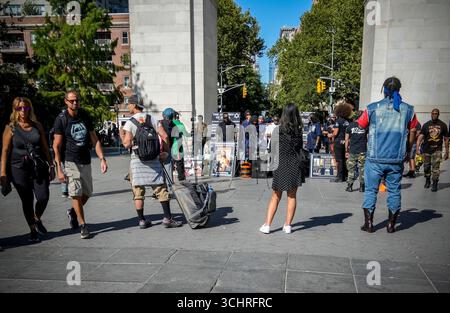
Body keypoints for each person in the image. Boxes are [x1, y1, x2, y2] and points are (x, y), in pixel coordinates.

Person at [357, 77, 418, 233]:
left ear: (384, 89)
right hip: (395, 158)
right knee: (394, 191)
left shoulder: (371, 108)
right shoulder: (408, 110)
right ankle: (391, 225)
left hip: (375, 158)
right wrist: (408, 149)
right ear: (399, 89)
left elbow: (361, 125)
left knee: (371, 190)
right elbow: (413, 130)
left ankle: (369, 224)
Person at [120, 95, 182, 228]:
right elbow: (164, 135)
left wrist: (123, 135)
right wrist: (165, 153)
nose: (128, 107)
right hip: (154, 159)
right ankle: (167, 218)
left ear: (134, 105)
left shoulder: (130, 122)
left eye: (129, 104)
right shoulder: (152, 119)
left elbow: (126, 144)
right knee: (160, 188)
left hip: (137, 161)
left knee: (138, 191)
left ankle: (142, 220)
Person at [53, 90, 108, 239]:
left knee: (88, 193)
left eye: (76, 100)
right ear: (66, 101)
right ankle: (83, 224)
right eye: (71, 101)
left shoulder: (84, 115)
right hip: (70, 161)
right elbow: (56, 145)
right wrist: (59, 168)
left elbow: (94, 139)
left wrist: (102, 158)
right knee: (75, 193)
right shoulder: (61, 119)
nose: (75, 103)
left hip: (85, 160)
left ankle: (72, 212)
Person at [1, 97, 55, 242]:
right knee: (27, 199)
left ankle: (36, 218)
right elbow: (5, 151)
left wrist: (51, 165)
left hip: (38, 166)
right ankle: (32, 231)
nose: (23, 111)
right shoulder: (10, 128)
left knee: (43, 196)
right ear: (15, 110)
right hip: (18, 168)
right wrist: (3, 174)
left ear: (29, 108)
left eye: (25, 108)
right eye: (19, 108)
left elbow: (45, 147)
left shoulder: (37, 125)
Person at [259, 103, 304, 234]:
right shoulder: (298, 130)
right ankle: (288, 225)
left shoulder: (277, 130)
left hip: (281, 164)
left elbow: (272, 149)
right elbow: (299, 148)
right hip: (294, 164)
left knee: (276, 195)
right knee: (292, 196)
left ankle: (267, 225)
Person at [417, 108, 449, 192]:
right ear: (431, 114)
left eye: (436, 113)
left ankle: (435, 183)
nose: (434, 115)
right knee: (426, 167)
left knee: (436, 168)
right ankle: (427, 179)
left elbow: (446, 139)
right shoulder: (426, 125)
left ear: (438, 114)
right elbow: (420, 137)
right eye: (433, 113)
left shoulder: (443, 125)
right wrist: (417, 148)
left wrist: (447, 151)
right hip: (426, 150)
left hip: (437, 150)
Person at [345, 110, 367, 192]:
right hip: (362, 150)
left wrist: (346, 150)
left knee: (351, 169)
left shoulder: (350, 126)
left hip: (352, 151)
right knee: (362, 169)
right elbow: (368, 138)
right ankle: (362, 187)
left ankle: (350, 186)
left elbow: (346, 139)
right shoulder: (365, 126)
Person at [330, 101, 353, 182]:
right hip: (346, 141)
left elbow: (335, 132)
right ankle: (345, 176)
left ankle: (339, 177)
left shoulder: (338, 121)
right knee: (345, 159)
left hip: (338, 142)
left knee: (339, 159)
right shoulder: (349, 121)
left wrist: (331, 135)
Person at [172, 112, 187, 181]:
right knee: (179, 163)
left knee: (170, 163)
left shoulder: (169, 123)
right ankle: (181, 178)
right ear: (177, 117)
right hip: (178, 146)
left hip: (170, 146)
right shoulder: (180, 124)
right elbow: (186, 134)